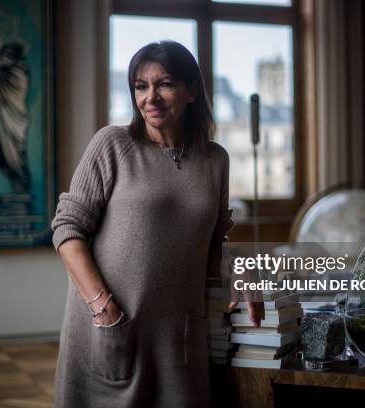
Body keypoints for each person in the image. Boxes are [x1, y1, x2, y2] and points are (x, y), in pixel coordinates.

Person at [51, 40, 262, 407]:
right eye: (140, 86)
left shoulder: (215, 160)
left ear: (191, 91)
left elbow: (214, 241)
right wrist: (104, 309)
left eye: (164, 84)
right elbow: (67, 230)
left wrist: (239, 266)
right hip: (112, 326)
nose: (151, 97)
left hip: (178, 339)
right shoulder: (112, 145)